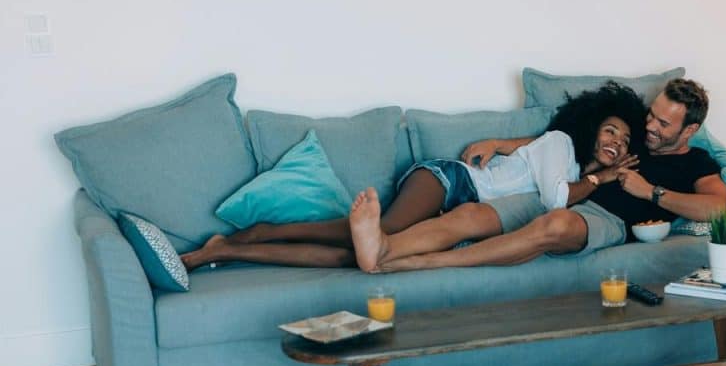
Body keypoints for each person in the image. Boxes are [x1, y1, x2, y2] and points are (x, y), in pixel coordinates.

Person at [180, 83, 647, 270]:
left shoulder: (562, 159)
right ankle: (257, 233)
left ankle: (237, 248)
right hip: (448, 181)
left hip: (459, 204)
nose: (617, 143)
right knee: (380, 236)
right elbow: (555, 200)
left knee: (358, 258)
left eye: (626, 141)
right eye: (611, 130)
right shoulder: (562, 145)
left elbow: (550, 184)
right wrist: (603, 179)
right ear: (591, 129)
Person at [350, 77, 726, 273]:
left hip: (606, 219)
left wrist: (652, 193)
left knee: (556, 225)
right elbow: (561, 142)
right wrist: (501, 142)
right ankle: (383, 250)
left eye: (663, 123)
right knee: (471, 215)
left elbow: (718, 209)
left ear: (689, 130)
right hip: (560, 190)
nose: (649, 126)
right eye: (651, 114)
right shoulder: (637, 139)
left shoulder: (697, 162)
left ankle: (422, 263)